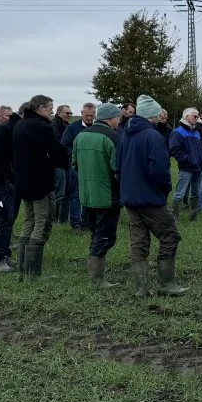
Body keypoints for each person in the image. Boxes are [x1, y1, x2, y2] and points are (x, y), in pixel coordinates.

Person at [117, 95, 188, 297]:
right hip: (150, 198)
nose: (160, 116)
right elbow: (160, 170)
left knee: (138, 241)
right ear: (151, 115)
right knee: (170, 235)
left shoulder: (125, 134)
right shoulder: (153, 136)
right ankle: (166, 284)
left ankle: (141, 288)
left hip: (130, 197)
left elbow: (119, 166)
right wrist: (165, 188)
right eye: (158, 113)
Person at [12, 95, 69, 280]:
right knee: (42, 222)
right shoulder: (41, 127)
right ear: (41, 108)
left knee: (29, 221)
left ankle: (22, 268)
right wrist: (59, 161)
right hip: (40, 182)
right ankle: (33, 273)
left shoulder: (21, 124)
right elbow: (57, 151)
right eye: (50, 107)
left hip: (23, 181)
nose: (52, 111)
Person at [72, 103, 123, 289]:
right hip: (107, 197)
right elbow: (117, 169)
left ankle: (94, 271)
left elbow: (74, 164)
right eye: (118, 117)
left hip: (86, 195)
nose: (119, 121)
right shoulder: (112, 137)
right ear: (110, 118)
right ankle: (98, 280)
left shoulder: (80, 135)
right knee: (105, 236)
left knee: (95, 232)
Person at [0, 102, 25, 274]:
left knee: (9, 221)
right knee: (3, 222)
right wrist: (7, 180)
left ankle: (6, 255)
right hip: (2, 185)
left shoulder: (16, 129)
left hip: (12, 183)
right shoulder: (4, 130)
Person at [60, 102, 96, 232]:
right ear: (81, 113)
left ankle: (86, 221)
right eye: (86, 115)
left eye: (91, 115)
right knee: (75, 194)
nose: (89, 118)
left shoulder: (97, 128)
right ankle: (76, 223)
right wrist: (78, 154)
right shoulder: (72, 128)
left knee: (89, 194)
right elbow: (64, 145)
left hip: (93, 167)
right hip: (77, 166)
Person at [168, 107, 202, 221]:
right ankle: (174, 218)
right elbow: (174, 150)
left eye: (198, 116)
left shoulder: (196, 133)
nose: (197, 118)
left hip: (198, 168)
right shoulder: (177, 132)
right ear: (186, 117)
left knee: (196, 193)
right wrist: (188, 159)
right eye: (194, 116)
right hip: (186, 168)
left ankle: (194, 217)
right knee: (179, 194)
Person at [50, 104, 73, 224]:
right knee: (59, 193)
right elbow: (58, 144)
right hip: (58, 164)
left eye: (70, 113)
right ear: (59, 113)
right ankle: (54, 219)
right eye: (67, 113)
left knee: (66, 192)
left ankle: (63, 219)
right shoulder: (54, 126)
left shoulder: (66, 126)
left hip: (66, 164)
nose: (69, 115)